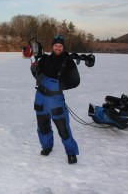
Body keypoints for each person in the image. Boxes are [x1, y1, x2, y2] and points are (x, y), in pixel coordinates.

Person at [31, 35, 80, 164]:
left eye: (60, 46)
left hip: (55, 99)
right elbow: (37, 75)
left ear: (63, 47)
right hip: (40, 97)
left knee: (63, 129)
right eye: (56, 46)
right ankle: (47, 146)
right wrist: (34, 70)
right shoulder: (45, 59)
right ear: (52, 47)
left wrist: (60, 85)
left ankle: (71, 152)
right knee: (43, 126)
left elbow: (76, 81)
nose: (58, 48)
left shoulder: (68, 61)